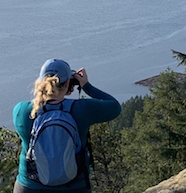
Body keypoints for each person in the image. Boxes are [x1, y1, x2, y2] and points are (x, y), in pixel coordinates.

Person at [12, 59, 121, 192]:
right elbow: (114, 107)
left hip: (30, 187)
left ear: (40, 82)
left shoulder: (22, 111)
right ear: (69, 83)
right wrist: (86, 85)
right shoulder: (81, 110)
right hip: (75, 187)